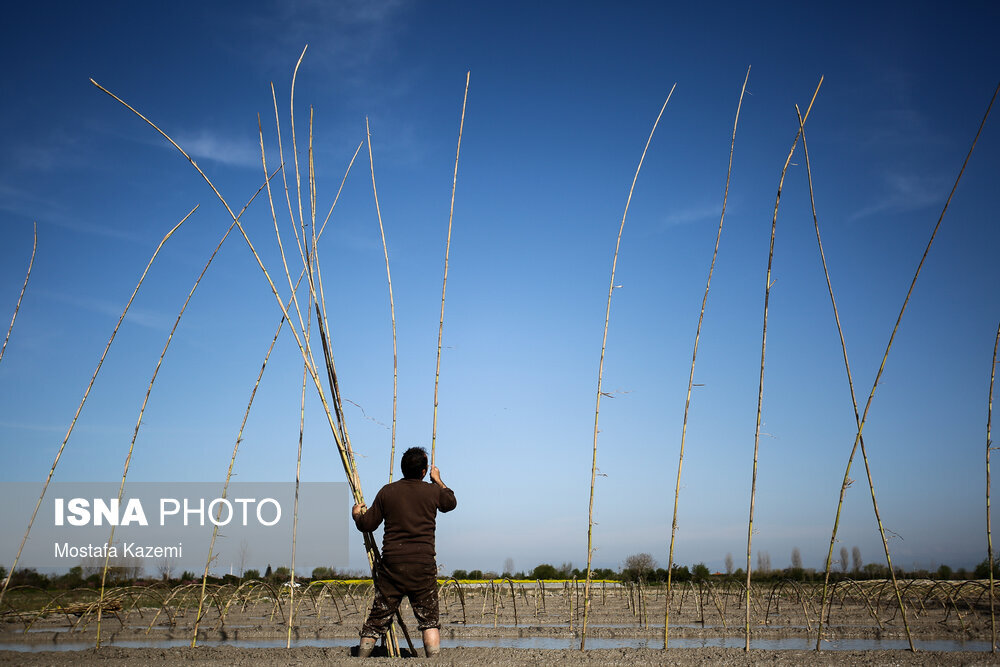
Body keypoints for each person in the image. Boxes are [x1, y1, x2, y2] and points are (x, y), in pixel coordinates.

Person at [352, 446, 457, 658]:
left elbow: (367, 524)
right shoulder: (432, 490)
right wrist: (438, 480)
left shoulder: (387, 491)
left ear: (402, 469)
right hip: (423, 564)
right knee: (429, 620)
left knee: (377, 617)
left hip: (392, 565)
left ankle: (360, 660)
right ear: (424, 471)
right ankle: (434, 661)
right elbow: (451, 503)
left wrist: (356, 515)